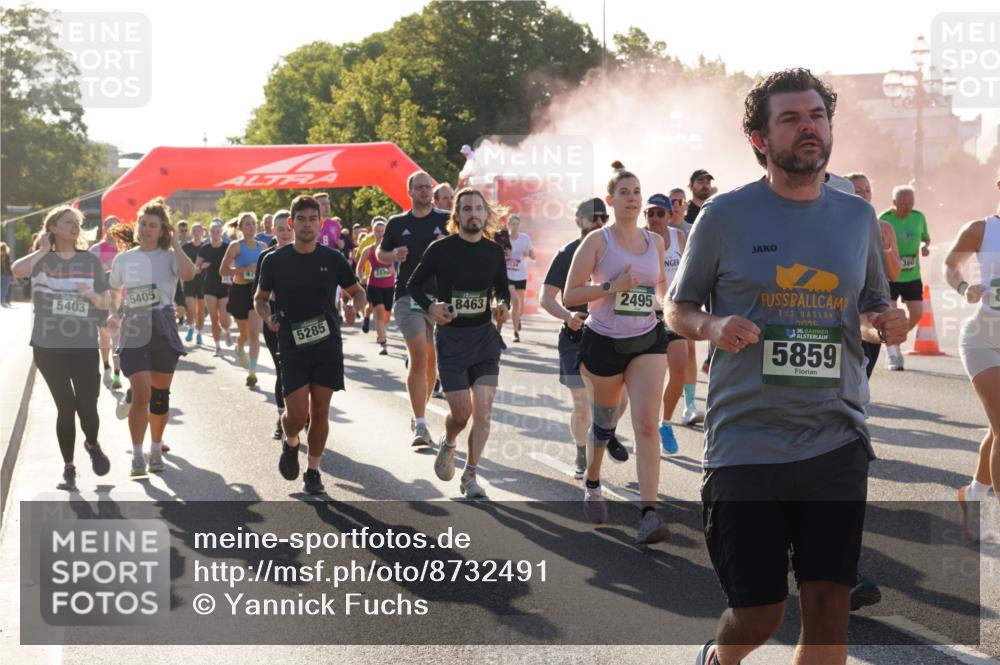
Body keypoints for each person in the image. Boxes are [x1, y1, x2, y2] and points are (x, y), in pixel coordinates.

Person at [666, 68, 908, 665]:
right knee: (759, 613)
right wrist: (713, 326)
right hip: (746, 441)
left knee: (829, 615)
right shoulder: (724, 215)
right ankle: (718, 657)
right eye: (791, 118)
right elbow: (677, 307)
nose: (809, 128)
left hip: (835, 435)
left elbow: (874, 300)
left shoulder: (856, 216)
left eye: (817, 116)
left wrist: (886, 319)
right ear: (759, 139)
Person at [564, 161, 672, 545]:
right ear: (610, 200)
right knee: (605, 422)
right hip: (604, 343)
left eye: (637, 192)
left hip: (647, 340)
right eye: (624, 193)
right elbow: (571, 295)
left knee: (646, 423)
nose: (632, 198)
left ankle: (649, 513)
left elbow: (658, 290)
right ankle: (593, 481)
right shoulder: (597, 241)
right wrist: (611, 286)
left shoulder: (655, 242)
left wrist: (668, 305)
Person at [256, 195, 366, 494]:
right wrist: (267, 317)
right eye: (301, 219)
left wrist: (356, 306)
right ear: (291, 224)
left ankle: (313, 471)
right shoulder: (275, 260)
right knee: (296, 415)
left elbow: (357, 291)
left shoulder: (333, 259)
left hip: (327, 343)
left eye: (312, 219)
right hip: (291, 343)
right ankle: (291, 442)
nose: (307, 224)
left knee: (320, 410)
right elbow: (260, 298)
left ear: (320, 223)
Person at [409, 188, 509, 499]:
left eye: (479, 209)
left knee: (484, 410)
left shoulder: (493, 252)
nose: (473, 214)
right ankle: (449, 442)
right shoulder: (440, 250)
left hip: (484, 339)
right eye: (466, 209)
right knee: (462, 413)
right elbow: (414, 285)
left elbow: (502, 290)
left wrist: (501, 305)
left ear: (486, 215)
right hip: (451, 340)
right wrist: (431, 307)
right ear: (457, 216)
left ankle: (471, 475)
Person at [11, 206, 112, 490]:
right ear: (53, 227)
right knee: (65, 408)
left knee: (88, 408)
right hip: (48, 346)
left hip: (82, 345)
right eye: (68, 222)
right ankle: (69, 468)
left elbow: (105, 303)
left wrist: (87, 293)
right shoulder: (42, 261)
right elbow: (17, 270)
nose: (75, 226)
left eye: (77, 222)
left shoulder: (89, 261)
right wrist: (43, 250)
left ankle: (92, 444)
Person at [541, 198, 631, 479]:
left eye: (604, 217)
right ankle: (582, 450)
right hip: (575, 336)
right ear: (578, 220)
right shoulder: (567, 253)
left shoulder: (619, 252)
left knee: (620, 399)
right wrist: (568, 316)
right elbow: (545, 298)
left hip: (612, 335)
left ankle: (606, 431)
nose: (600, 222)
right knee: (582, 401)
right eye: (593, 217)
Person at [108, 198, 196, 477]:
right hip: (134, 325)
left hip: (163, 325)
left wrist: (177, 244)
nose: (145, 229)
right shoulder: (124, 259)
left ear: (162, 230)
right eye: (142, 223)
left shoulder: (170, 257)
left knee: (159, 396)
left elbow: (189, 273)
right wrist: (113, 314)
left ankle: (155, 448)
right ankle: (137, 454)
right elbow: (112, 291)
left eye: (152, 225)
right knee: (142, 394)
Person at [945, 171, 1000, 544]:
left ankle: (975, 493)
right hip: (983, 339)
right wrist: (964, 287)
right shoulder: (981, 230)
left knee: (997, 429)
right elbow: (951, 265)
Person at [377, 171, 450, 447]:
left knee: (432, 361)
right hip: (407, 296)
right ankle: (421, 426)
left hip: (439, 298)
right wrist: (392, 255)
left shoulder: (444, 219)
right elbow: (381, 253)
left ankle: (419, 409)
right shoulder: (397, 223)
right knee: (419, 353)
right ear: (409, 192)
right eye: (419, 188)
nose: (424, 191)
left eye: (427, 187)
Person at [642, 193, 689, 455]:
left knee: (679, 369)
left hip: (672, 310)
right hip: (644, 313)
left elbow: (686, 270)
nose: (656, 218)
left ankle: (665, 423)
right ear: (645, 217)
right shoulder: (638, 238)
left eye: (661, 213)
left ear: (670, 216)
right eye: (651, 213)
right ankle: (643, 425)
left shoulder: (678, 237)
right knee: (650, 376)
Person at [846, 173, 901, 377]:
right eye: (858, 191)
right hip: (843, 310)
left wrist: (886, 248)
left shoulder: (884, 227)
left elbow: (894, 275)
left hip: (873, 310)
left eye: (868, 190)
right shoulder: (834, 226)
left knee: (863, 377)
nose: (864, 195)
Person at [880, 184, 931, 370]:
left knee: (917, 314)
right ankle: (892, 353)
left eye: (910, 203)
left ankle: (895, 339)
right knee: (891, 316)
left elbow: (926, 237)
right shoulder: (884, 219)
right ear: (894, 202)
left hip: (912, 275)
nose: (907, 207)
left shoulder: (919, 217)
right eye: (903, 204)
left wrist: (926, 246)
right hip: (890, 277)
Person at [253, 209, 293, 440]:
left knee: (305, 371)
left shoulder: (308, 254)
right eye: (280, 230)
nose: (286, 234)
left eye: (288, 229)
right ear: (273, 231)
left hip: (303, 319)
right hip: (275, 318)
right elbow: (257, 294)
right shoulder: (266, 257)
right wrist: (269, 316)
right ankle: (282, 416)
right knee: (283, 369)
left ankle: (304, 415)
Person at [667, 188, 704, 425]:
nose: (676, 205)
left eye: (680, 201)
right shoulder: (654, 229)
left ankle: (689, 405)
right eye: (672, 202)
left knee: (688, 352)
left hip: (681, 300)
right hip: (654, 305)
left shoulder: (691, 230)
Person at [221, 212, 266, 387]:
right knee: (245, 334)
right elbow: (223, 271)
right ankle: (239, 347)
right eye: (246, 224)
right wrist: (243, 269)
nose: (250, 227)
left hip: (256, 292)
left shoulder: (262, 246)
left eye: (253, 223)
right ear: (240, 227)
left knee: (255, 334)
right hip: (239, 291)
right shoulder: (235, 246)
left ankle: (252, 373)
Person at [89, 215, 121, 386]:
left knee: (117, 336)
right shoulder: (96, 249)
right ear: (104, 227)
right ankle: (107, 367)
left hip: (120, 299)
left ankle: (116, 374)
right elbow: (88, 273)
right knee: (104, 336)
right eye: (109, 225)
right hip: (102, 298)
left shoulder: (125, 249)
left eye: (116, 225)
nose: (112, 228)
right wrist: (106, 266)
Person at [356, 218, 395, 355]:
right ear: (373, 232)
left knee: (387, 316)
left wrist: (394, 270)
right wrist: (362, 278)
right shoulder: (369, 250)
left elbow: (401, 262)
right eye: (377, 231)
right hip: (374, 285)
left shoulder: (392, 249)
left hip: (389, 286)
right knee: (379, 312)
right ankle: (383, 344)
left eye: (382, 231)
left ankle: (380, 332)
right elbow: (359, 267)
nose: (380, 233)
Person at [196, 220, 232, 355]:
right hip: (209, 286)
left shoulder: (228, 247)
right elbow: (196, 269)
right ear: (209, 233)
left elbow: (234, 263)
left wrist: (232, 274)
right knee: (213, 318)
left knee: (224, 317)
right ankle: (218, 347)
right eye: (213, 231)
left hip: (224, 285)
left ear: (222, 232)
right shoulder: (205, 249)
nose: (216, 234)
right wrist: (201, 266)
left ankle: (227, 331)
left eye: (218, 231)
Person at [498, 214, 534, 344]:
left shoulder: (524, 238)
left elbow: (533, 255)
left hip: (521, 274)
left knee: (521, 307)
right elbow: (496, 253)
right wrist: (503, 253)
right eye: (512, 224)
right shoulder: (503, 238)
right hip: (507, 275)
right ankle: (515, 333)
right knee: (515, 303)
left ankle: (517, 319)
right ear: (508, 225)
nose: (515, 226)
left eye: (517, 224)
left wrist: (528, 253)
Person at [181, 222, 207, 345]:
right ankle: (191, 327)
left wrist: (200, 267)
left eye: (199, 231)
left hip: (203, 281)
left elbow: (210, 263)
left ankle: (199, 333)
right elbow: (182, 262)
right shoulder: (186, 247)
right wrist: (192, 269)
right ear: (192, 233)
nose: (196, 233)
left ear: (202, 233)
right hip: (189, 280)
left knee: (200, 310)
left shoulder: (206, 247)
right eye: (194, 231)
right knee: (190, 308)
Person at [0, 242, 12, 307]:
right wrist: (12, 274)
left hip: (1, 273)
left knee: (1, 288)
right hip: (6, 273)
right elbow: (8, 266)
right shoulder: (6, 256)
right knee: (4, 288)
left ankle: (2, 301)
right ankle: (2, 301)